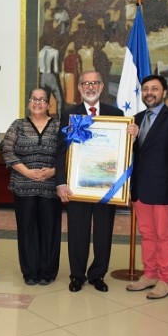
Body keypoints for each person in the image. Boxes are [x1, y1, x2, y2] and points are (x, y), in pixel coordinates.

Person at [55, 70, 124, 293]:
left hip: (106, 186)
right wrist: (60, 182)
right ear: (79, 88)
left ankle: (98, 275)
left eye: (95, 83)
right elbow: (60, 151)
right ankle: (77, 275)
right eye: (86, 83)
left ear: (102, 86)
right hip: (78, 184)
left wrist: (132, 133)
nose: (90, 87)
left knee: (104, 232)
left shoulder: (117, 114)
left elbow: (123, 148)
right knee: (78, 231)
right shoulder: (69, 115)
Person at [125, 74, 168, 299]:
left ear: (164, 93)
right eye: (145, 89)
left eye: (154, 89)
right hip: (140, 188)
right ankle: (150, 274)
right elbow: (132, 155)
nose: (149, 93)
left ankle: (165, 279)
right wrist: (130, 141)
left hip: (163, 187)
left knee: (163, 234)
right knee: (147, 234)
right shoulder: (135, 118)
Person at [0, 88, 61, 285]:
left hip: (50, 187)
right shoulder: (18, 125)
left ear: (48, 104)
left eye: (42, 99)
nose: (38, 102)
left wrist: (53, 171)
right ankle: (30, 272)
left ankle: (47, 272)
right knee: (27, 229)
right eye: (34, 99)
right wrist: (26, 172)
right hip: (23, 186)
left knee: (49, 229)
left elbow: (68, 153)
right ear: (28, 103)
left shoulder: (59, 126)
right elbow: (7, 150)